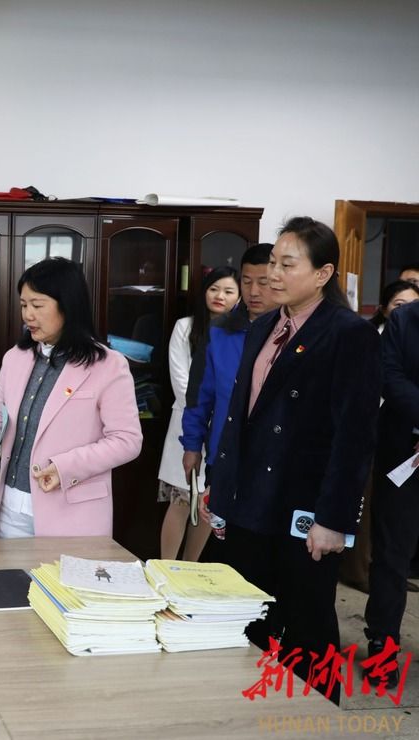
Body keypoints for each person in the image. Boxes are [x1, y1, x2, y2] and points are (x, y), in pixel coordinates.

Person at [203, 217, 380, 702]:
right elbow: (239, 417)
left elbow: (354, 438)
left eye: (287, 264)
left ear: (323, 274)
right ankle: (246, 717)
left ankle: (314, 722)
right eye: (272, 263)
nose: (273, 274)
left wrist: (333, 520)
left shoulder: (349, 334)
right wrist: (221, 486)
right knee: (246, 620)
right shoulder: (263, 326)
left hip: (304, 508)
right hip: (248, 501)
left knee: (306, 626)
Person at [0, 257, 142, 538]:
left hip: (72, 513)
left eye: (37, 306)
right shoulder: (16, 357)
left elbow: (127, 440)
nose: (28, 315)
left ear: (68, 305)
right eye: (23, 305)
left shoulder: (108, 365)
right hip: (8, 507)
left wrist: (65, 467)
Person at [181, 244, 279, 499]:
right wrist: (192, 445)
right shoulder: (219, 330)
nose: (253, 291)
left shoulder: (291, 331)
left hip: (275, 462)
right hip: (223, 456)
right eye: (246, 282)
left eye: (263, 282)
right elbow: (199, 395)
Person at [158, 266, 239, 561]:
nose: (220, 296)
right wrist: (204, 408)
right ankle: (166, 567)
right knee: (181, 499)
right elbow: (182, 382)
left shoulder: (239, 333)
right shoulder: (185, 327)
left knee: (209, 501)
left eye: (228, 291)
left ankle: (190, 567)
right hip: (187, 422)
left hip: (223, 427)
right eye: (214, 289)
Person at [363, 299, 419, 689]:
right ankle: (382, 646)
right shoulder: (404, 319)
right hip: (402, 455)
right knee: (390, 553)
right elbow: (388, 374)